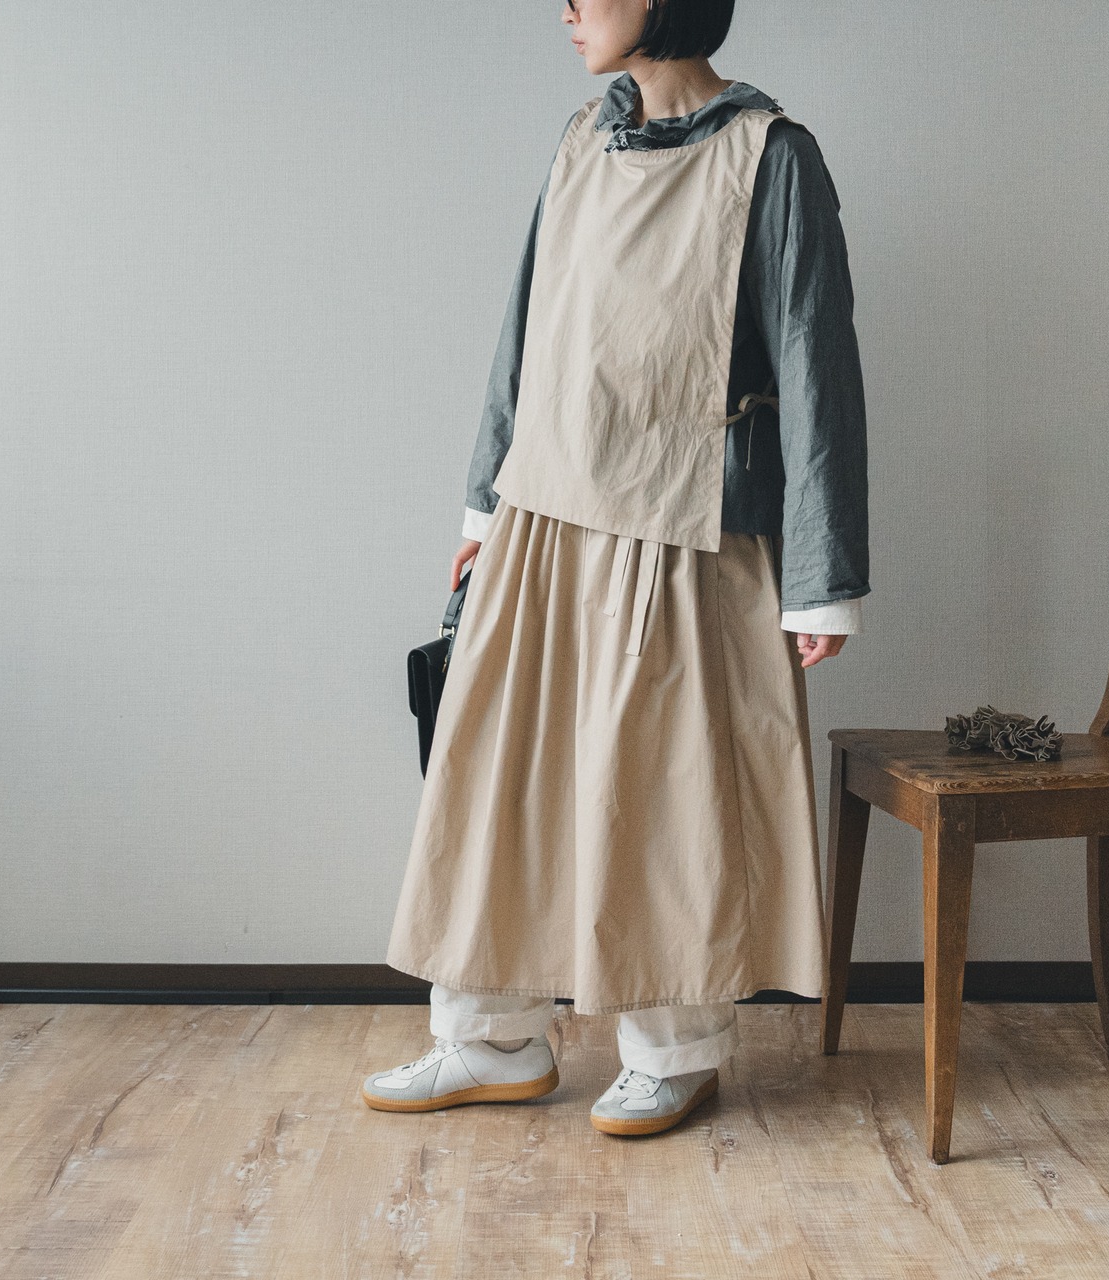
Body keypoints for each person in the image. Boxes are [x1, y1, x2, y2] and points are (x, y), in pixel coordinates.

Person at [364, 0, 869, 1138]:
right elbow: (525, 331)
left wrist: (821, 573)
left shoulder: (773, 157)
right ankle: (488, 1037)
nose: (567, 7)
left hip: (685, 518)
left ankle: (673, 1051)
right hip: (545, 511)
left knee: (664, 793)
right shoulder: (580, 140)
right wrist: (484, 499)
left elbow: (816, 360)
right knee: (502, 781)